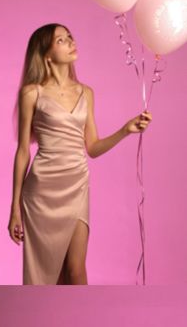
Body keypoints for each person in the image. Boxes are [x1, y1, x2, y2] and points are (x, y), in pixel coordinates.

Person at [9, 24, 151, 284]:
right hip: (42, 191)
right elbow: (22, 153)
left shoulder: (86, 92)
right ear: (46, 55)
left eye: (70, 37)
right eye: (61, 40)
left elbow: (93, 148)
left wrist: (125, 130)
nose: (71, 42)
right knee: (43, 276)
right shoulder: (32, 93)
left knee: (76, 269)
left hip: (77, 184)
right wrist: (14, 209)